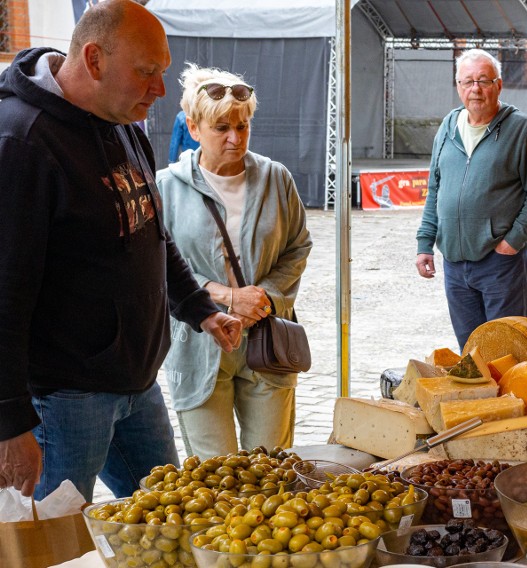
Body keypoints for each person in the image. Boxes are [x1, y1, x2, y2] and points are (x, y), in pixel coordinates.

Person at [0, 0, 242, 501]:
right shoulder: (22, 141)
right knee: (56, 544)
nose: (159, 89)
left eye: (163, 72)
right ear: (94, 60)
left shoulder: (126, 124)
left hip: (138, 384)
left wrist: (199, 309)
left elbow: (150, 232)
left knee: (170, 520)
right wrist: (8, 421)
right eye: (147, 72)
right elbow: (4, 293)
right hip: (64, 398)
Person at [157, 64, 312, 459]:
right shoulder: (167, 187)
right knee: (215, 473)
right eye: (221, 127)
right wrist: (227, 297)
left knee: (270, 466)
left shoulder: (276, 178)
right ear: (193, 128)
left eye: (242, 126)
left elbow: (298, 246)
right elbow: (155, 265)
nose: (234, 138)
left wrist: (266, 297)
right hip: (198, 340)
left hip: (267, 337)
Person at [415, 48, 527, 350]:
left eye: (483, 80)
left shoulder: (520, 128)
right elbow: (435, 189)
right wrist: (425, 243)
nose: (475, 89)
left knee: (507, 350)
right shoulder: (447, 127)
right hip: (454, 264)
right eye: (468, 81)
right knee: (471, 354)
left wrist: (512, 242)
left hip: (500, 265)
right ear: (458, 86)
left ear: (499, 85)